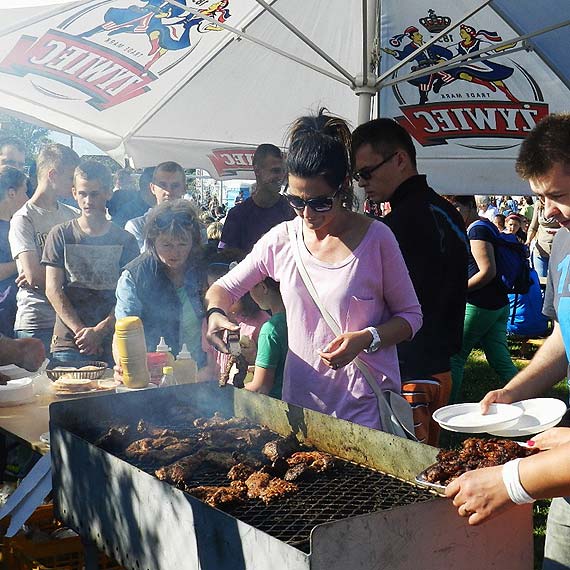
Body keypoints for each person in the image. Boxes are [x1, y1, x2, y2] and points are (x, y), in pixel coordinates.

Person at [206, 109, 422, 431]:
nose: (307, 214)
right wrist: (215, 313)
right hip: (302, 408)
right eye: (296, 201)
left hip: (363, 409)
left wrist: (367, 338)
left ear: (343, 187)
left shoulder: (377, 238)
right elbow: (223, 288)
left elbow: (411, 317)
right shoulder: (282, 238)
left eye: (321, 203)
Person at [445, 116, 570, 567]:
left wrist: (511, 481)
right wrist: (514, 390)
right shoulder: (563, 246)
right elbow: (564, 338)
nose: (547, 213)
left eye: (557, 196)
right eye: (540, 198)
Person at [352, 118, 468, 444]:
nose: (362, 183)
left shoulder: (393, 227)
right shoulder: (450, 212)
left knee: (407, 478)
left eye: (367, 172)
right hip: (441, 368)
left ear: (400, 160)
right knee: (428, 465)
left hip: (408, 369)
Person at [42, 162, 139, 364]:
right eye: (83, 194)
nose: (88, 201)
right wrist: (82, 332)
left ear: (108, 193)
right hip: (69, 342)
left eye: (94, 194)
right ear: (74, 193)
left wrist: (100, 331)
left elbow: (129, 295)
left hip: (113, 339)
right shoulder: (60, 234)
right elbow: (52, 289)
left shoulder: (125, 240)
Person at [115, 199, 208, 370]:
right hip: (154, 373)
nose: (175, 252)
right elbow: (123, 332)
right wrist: (124, 365)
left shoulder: (203, 270)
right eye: (166, 245)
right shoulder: (134, 277)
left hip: (202, 372)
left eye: (182, 244)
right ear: (152, 241)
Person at [8, 143, 80, 355]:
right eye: (70, 178)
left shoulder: (73, 215)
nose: (74, 184)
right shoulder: (23, 218)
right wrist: (63, 279)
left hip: (69, 321)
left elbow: (84, 268)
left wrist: (49, 277)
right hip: (37, 323)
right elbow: (33, 276)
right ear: (53, 175)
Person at [448, 195, 518, 403]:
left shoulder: (477, 230)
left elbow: (487, 271)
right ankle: (528, 399)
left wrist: (458, 290)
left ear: (470, 206)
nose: (454, 213)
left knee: (455, 357)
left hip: (480, 305)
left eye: (457, 207)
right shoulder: (485, 225)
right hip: (497, 303)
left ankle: (446, 410)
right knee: (500, 360)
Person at [218, 144, 294, 253]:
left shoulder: (291, 211)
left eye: (283, 171)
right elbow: (224, 256)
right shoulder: (237, 215)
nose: (281, 177)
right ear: (257, 170)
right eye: (275, 171)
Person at [125, 161, 187, 251]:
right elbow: (137, 262)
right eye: (163, 185)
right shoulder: (137, 226)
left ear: (184, 189)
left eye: (175, 185)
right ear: (152, 188)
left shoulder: (196, 227)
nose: (168, 192)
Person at [245, 277, 287, 399]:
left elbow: (260, 387)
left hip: (281, 407)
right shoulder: (302, 319)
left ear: (263, 287)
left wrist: (235, 392)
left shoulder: (270, 329)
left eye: (251, 287)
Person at [0, 167, 28, 336]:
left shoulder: (17, 225)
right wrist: (23, 263)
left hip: (15, 313)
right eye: (24, 192)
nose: (27, 198)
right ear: (11, 193)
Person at [526, 199, 559, 278]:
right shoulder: (538, 205)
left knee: (557, 282)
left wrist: (557, 231)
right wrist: (528, 241)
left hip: (558, 250)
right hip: (541, 250)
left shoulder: (561, 203)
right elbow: (533, 227)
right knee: (540, 280)